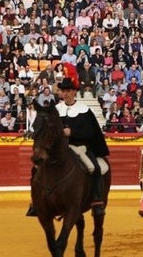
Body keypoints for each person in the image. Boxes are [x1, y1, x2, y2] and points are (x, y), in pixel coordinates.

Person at [27, 74, 109, 216]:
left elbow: (91, 132)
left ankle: (96, 200)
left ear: (74, 92)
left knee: (94, 167)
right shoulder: (56, 110)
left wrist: (72, 132)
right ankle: (36, 202)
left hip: (81, 147)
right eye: (62, 91)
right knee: (36, 169)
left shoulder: (84, 110)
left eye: (67, 91)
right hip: (58, 149)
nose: (65, 94)